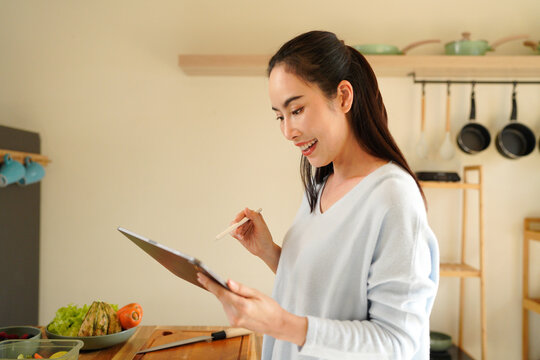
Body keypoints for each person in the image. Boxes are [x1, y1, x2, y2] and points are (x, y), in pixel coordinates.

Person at [197, 30, 439, 360]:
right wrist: (271, 253)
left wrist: (281, 323)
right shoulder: (321, 184)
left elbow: (397, 343)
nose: (287, 131)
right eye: (279, 116)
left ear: (342, 97)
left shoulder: (393, 198)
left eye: (296, 110)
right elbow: (327, 295)